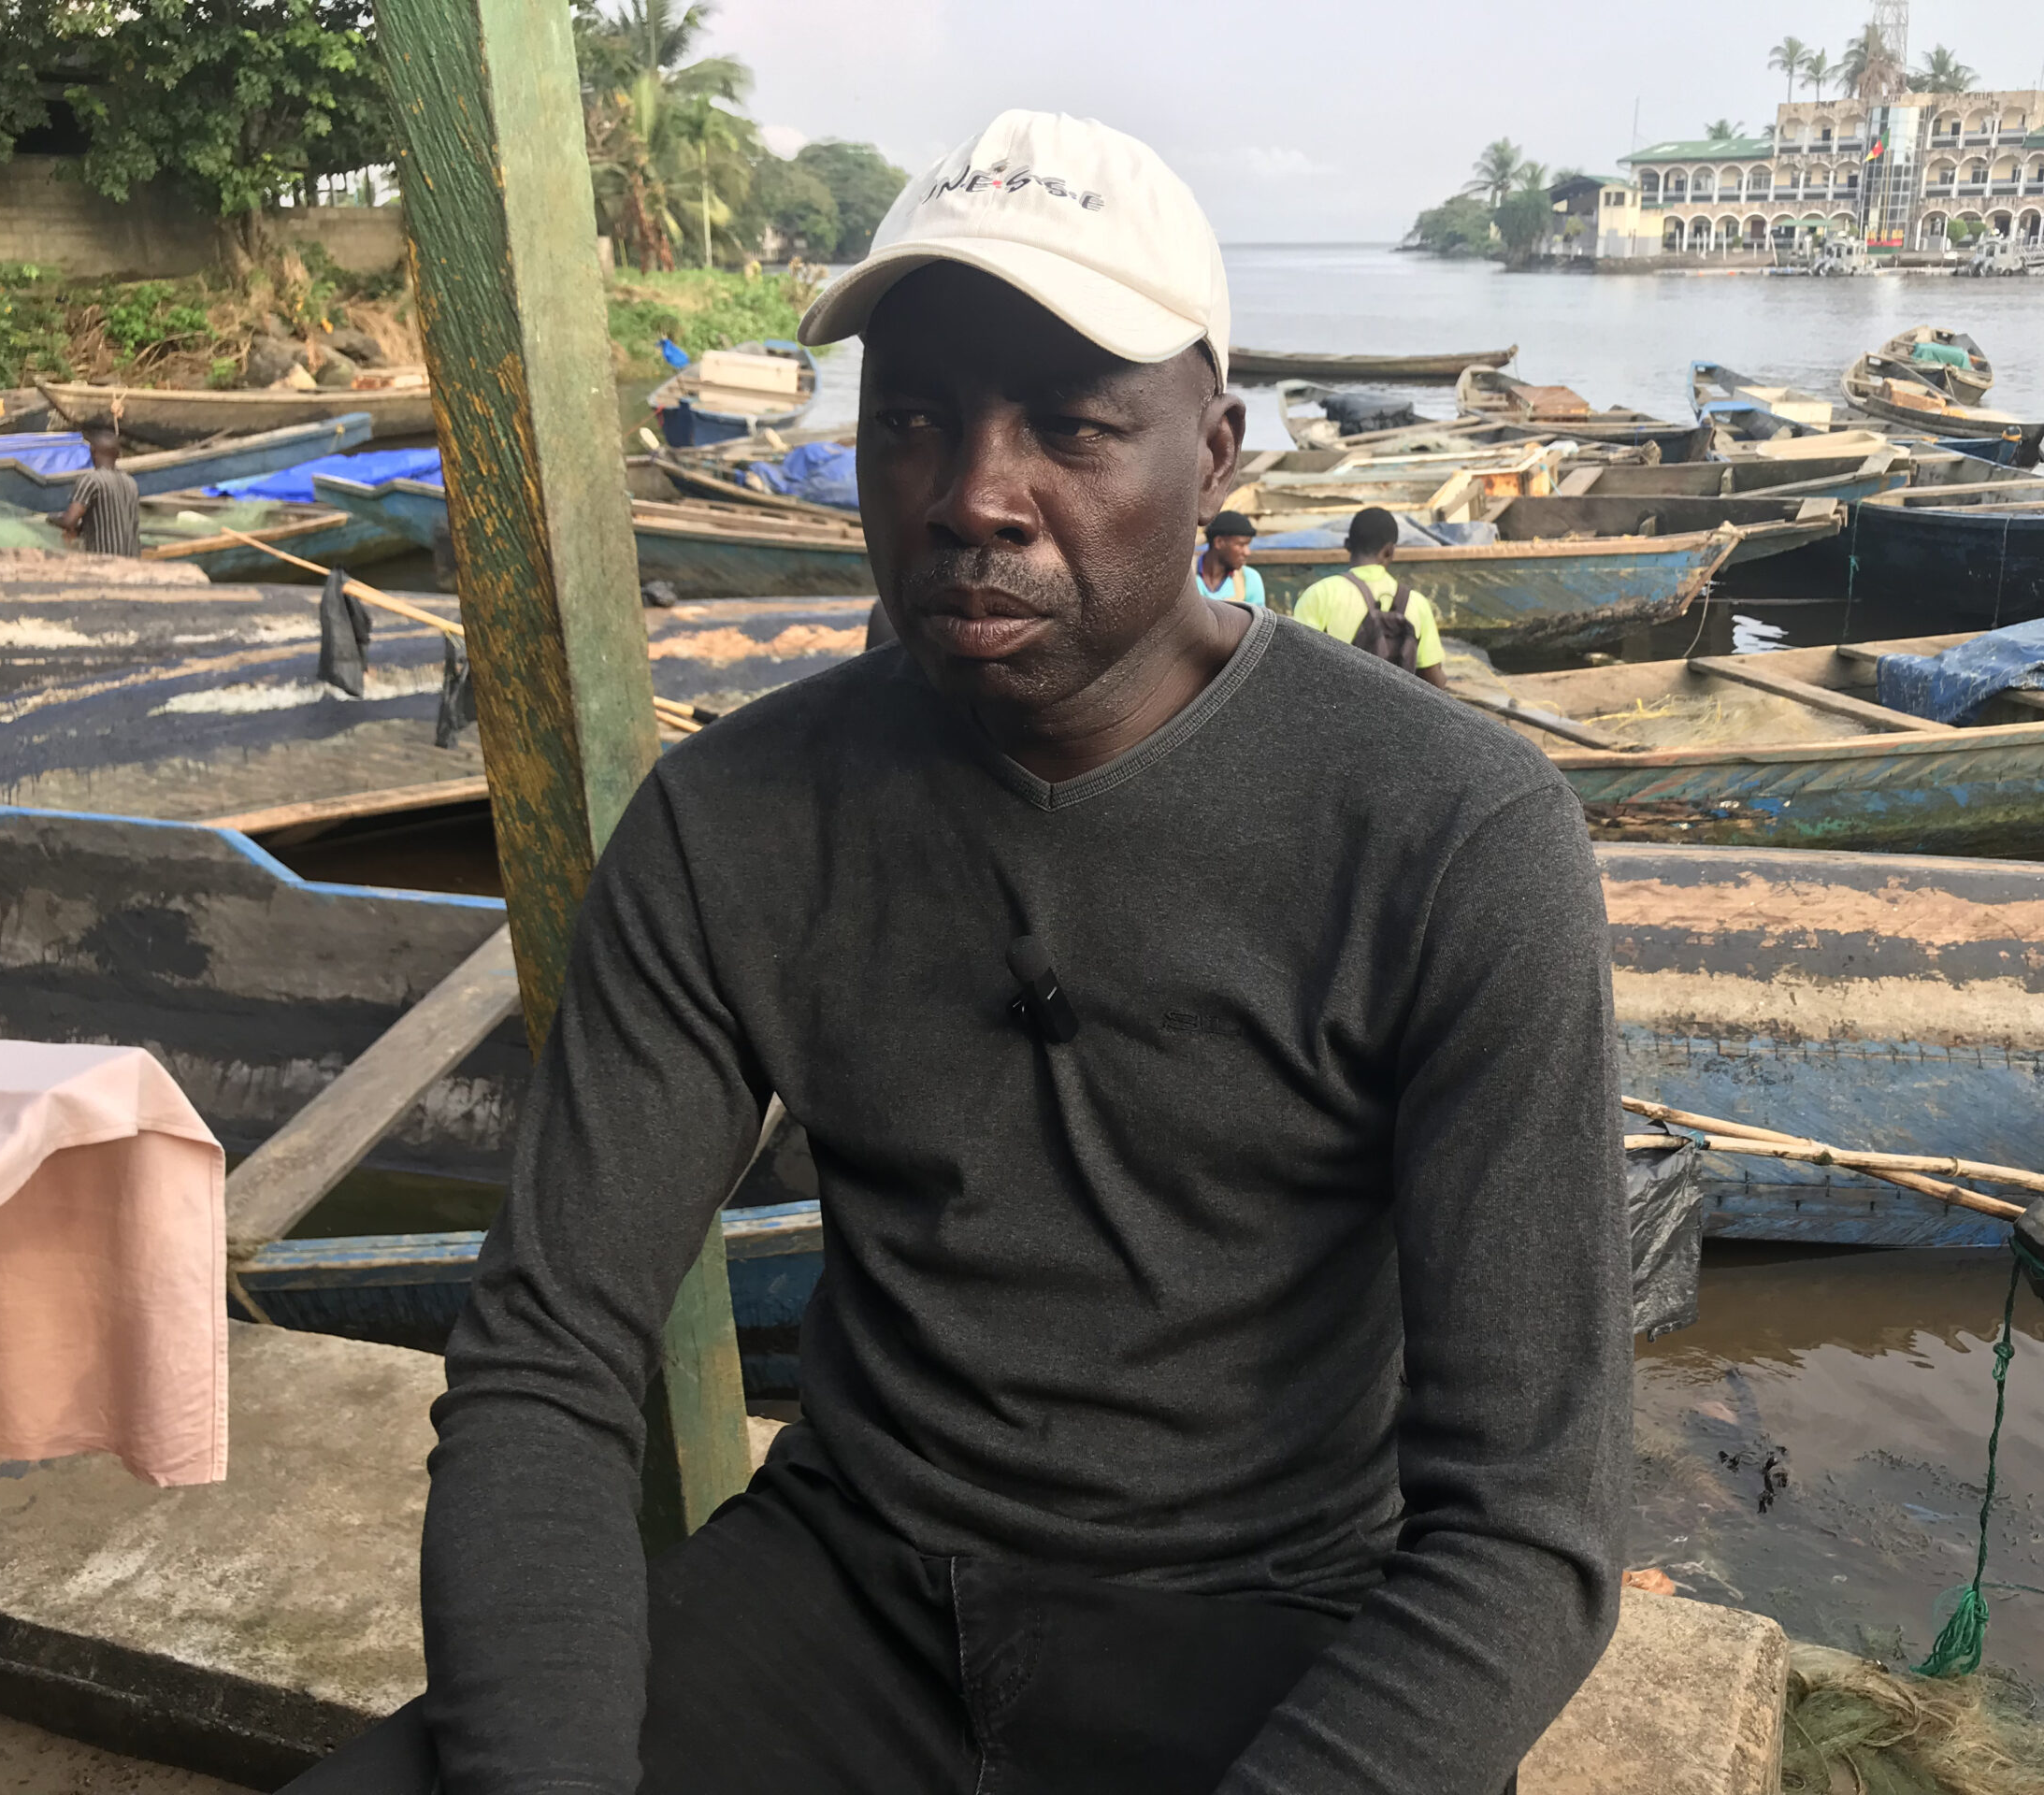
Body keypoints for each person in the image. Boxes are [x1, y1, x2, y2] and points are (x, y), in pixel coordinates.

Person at [290, 108, 1625, 1795]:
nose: (973, 496)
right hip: (846, 1587)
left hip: (1273, 1618)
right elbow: (548, 1361)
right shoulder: (737, 821)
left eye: (1071, 425)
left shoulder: (1450, 832)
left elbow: (1529, 1529)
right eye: (912, 421)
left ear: (1213, 456)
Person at [1291, 506, 1449, 688]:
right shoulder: (1417, 603)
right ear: (1390, 551)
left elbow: (1300, 666)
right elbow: (1434, 680)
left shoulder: (1318, 594)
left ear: (1347, 545)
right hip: (1395, 714)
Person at [57, 426, 141, 557]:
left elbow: (69, 521)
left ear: (92, 451)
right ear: (117, 455)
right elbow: (112, 522)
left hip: (104, 563)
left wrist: (51, 521)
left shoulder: (91, 481)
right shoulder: (131, 483)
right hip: (132, 562)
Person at [1193, 509, 1264, 609]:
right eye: (1241, 544)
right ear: (1219, 542)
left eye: (1248, 545)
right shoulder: (1187, 576)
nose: (1247, 552)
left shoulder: (1249, 579)